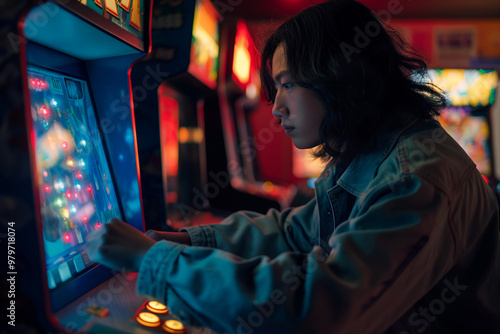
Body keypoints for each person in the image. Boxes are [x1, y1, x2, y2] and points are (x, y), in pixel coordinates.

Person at [87, 0, 500, 333]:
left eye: (287, 84)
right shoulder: (374, 153)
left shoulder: (416, 179)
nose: (277, 108)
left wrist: (154, 261)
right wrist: (189, 243)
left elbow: (317, 310)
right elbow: (295, 232)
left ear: (339, 77)